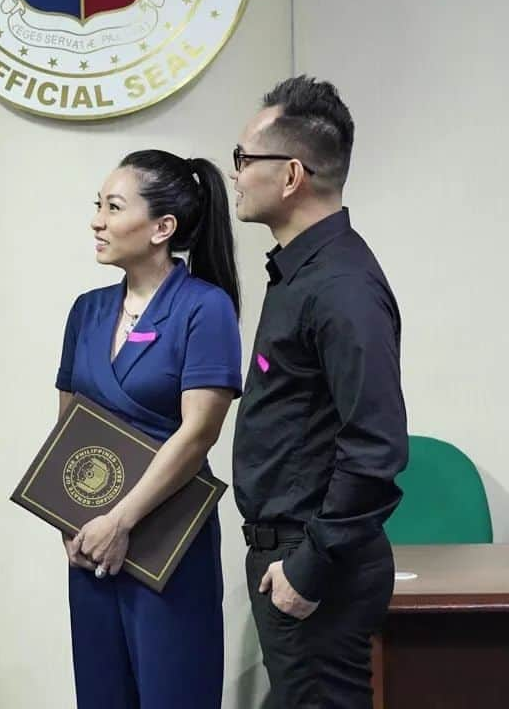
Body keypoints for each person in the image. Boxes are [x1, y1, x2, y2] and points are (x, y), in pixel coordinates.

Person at [231, 75, 408, 708]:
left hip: (316, 568)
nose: (236, 174)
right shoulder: (300, 272)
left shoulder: (341, 288)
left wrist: (310, 565)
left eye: (245, 159)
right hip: (295, 558)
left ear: (291, 175)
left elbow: (376, 449)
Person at [56, 149, 242, 709]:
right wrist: (70, 520)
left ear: (163, 228)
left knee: (173, 692)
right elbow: (68, 425)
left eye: (113, 207)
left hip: (166, 542)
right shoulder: (86, 310)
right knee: (102, 693)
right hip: (92, 542)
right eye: (98, 206)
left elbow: (199, 433)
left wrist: (121, 519)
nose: (97, 221)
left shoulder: (205, 308)